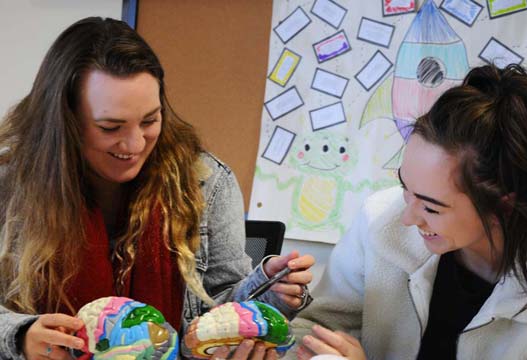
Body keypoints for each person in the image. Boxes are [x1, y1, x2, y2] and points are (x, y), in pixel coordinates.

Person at [0, 17, 314, 360]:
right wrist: (19, 336)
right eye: (110, 127)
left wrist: (268, 291)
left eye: (150, 120)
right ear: (64, 121)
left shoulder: (205, 182)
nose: (134, 143)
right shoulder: (9, 184)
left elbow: (217, 308)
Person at [291, 64, 527, 360]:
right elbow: (315, 329)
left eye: (432, 207)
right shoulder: (382, 220)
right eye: (404, 186)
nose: (408, 218)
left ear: (504, 205)